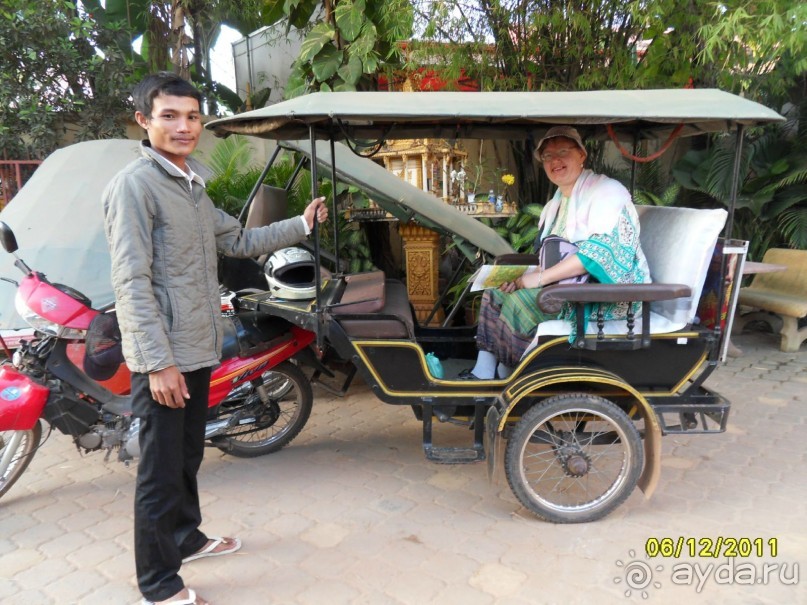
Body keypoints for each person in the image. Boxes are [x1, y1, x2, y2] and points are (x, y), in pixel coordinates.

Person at [103, 72, 328, 605]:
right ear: (144, 120)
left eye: (192, 116)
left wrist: (301, 222)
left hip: (200, 346)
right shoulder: (135, 187)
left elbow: (242, 239)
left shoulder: (192, 184)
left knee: (186, 457)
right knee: (159, 473)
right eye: (170, 116)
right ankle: (158, 583)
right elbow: (130, 280)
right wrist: (157, 364)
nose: (184, 127)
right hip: (164, 357)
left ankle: (187, 538)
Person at [460, 126, 650, 380]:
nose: (555, 161)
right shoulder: (557, 203)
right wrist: (517, 277)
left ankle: (508, 378)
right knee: (496, 294)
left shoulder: (606, 192)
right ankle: (483, 374)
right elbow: (554, 255)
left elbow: (595, 257)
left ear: (582, 155)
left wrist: (538, 279)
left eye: (563, 152)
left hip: (606, 293)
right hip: (570, 285)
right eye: (548, 156)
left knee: (520, 304)